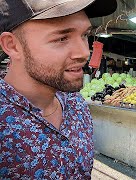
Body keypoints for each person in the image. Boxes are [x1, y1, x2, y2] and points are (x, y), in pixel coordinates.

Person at [0, 0, 117, 179]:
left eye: (85, 35)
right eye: (61, 38)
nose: (84, 52)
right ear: (12, 45)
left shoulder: (77, 105)